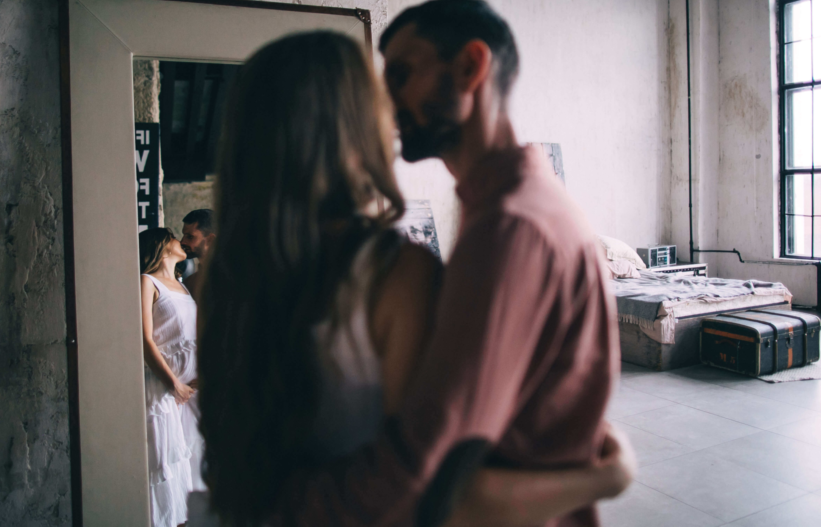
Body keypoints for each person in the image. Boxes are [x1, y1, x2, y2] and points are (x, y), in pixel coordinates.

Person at [191, 30, 632, 527]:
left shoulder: (219, 278)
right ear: (354, 125)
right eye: (380, 96)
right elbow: (421, 482)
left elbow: (225, 438)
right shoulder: (395, 274)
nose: (394, 111)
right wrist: (603, 479)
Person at [139, 227, 202, 527]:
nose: (182, 241)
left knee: (189, 470)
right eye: (176, 237)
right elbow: (145, 339)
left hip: (192, 394)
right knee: (166, 472)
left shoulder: (183, 286)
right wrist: (174, 384)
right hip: (166, 391)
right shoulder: (147, 281)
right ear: (163, 246)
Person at [180, 208, 217, 297]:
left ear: (210, 240)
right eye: (184, 235)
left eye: (190, 237)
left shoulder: (233, 276)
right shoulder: (189, 283)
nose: (182, 242)